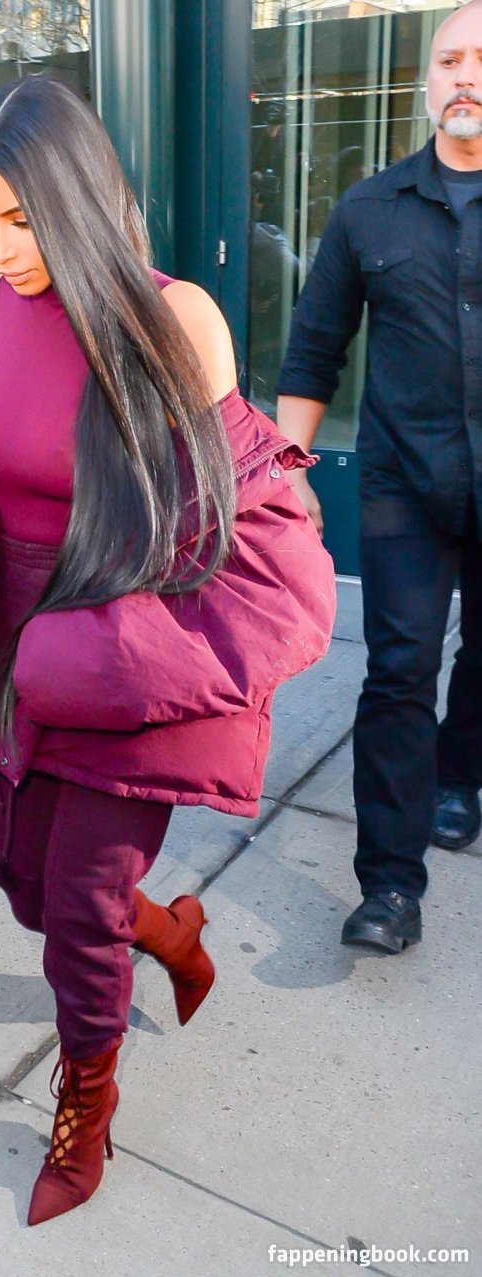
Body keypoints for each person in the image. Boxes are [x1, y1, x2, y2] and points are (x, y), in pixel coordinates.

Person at [0, 77, 335, 1225]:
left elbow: (243, 533)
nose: (2, 246)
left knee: (78, 908)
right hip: (8, 644)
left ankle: (85, 1093)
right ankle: (169, 931)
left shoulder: (173, 321)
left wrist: (125, 645)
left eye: (22, 218)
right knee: (29, 888)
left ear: (80, 197)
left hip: (120, 650)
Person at [276, 0, 482, 955]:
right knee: (399, 669)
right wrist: (290, 470)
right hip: (406, 481)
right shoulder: (368, 208)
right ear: (427, 82)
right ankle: (391, 886)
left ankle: (458, 774)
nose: (465, 77)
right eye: (449, 60)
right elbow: (315, 346)